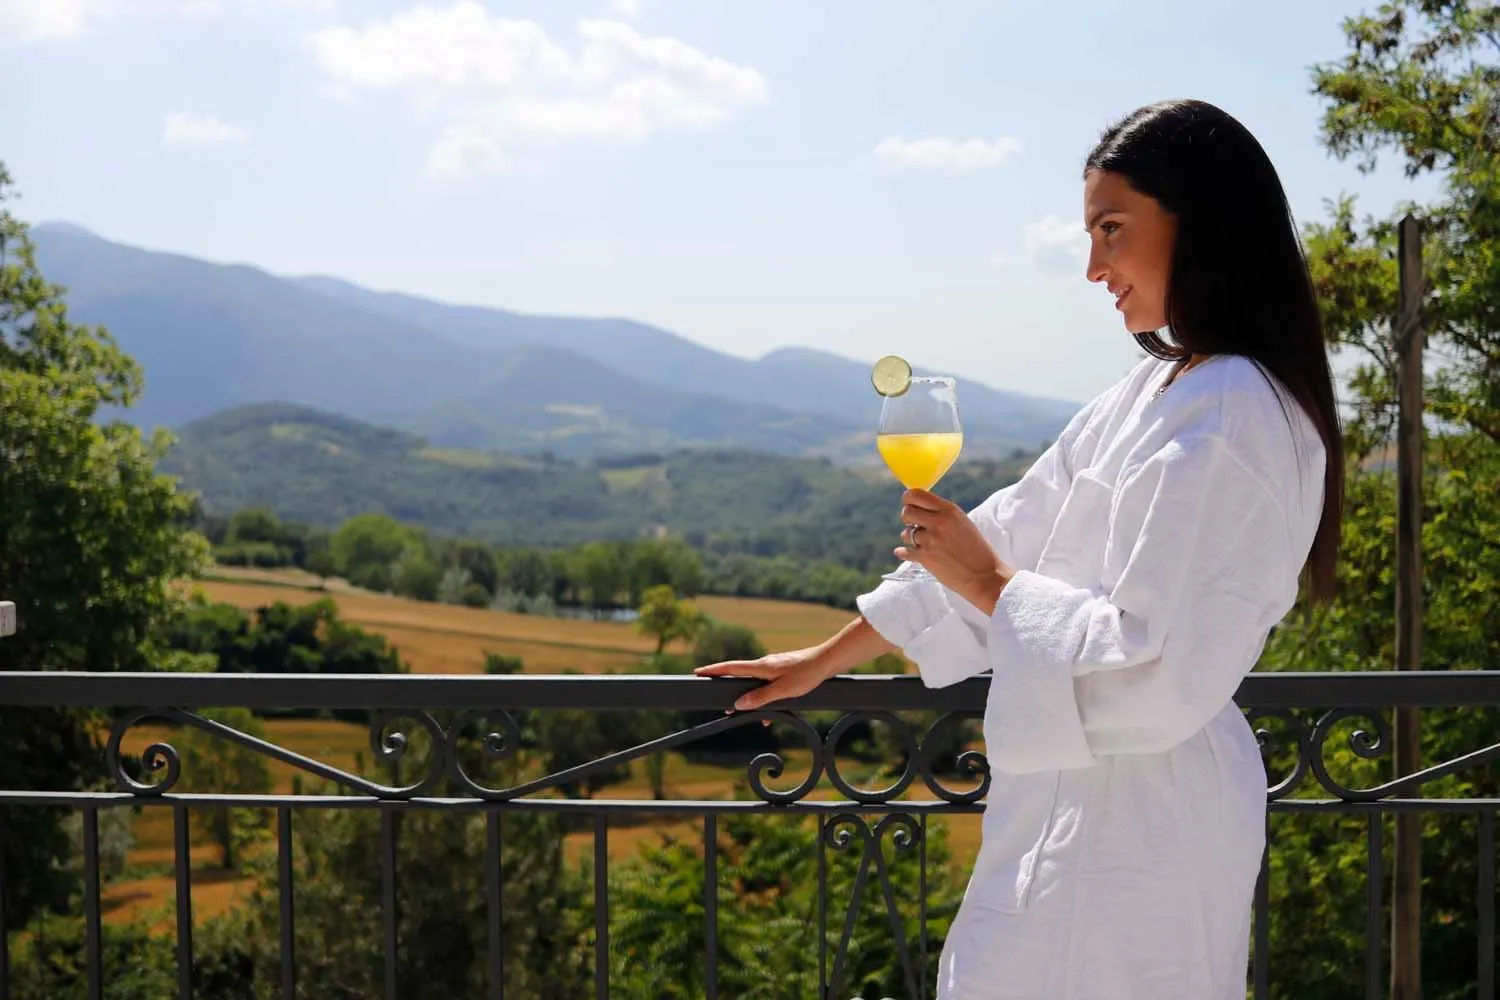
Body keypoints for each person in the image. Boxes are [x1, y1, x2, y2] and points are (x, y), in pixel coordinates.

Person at [695, 98, 1345, 999]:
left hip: (1151, 835)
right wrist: (826, 657)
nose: (1092, 267)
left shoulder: (1232, 412)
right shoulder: (1157, 388)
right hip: (1071, 814)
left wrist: (994, 585)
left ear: (1202, 222)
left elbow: (1154, 671)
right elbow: (1011, 522)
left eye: (1112, 230)